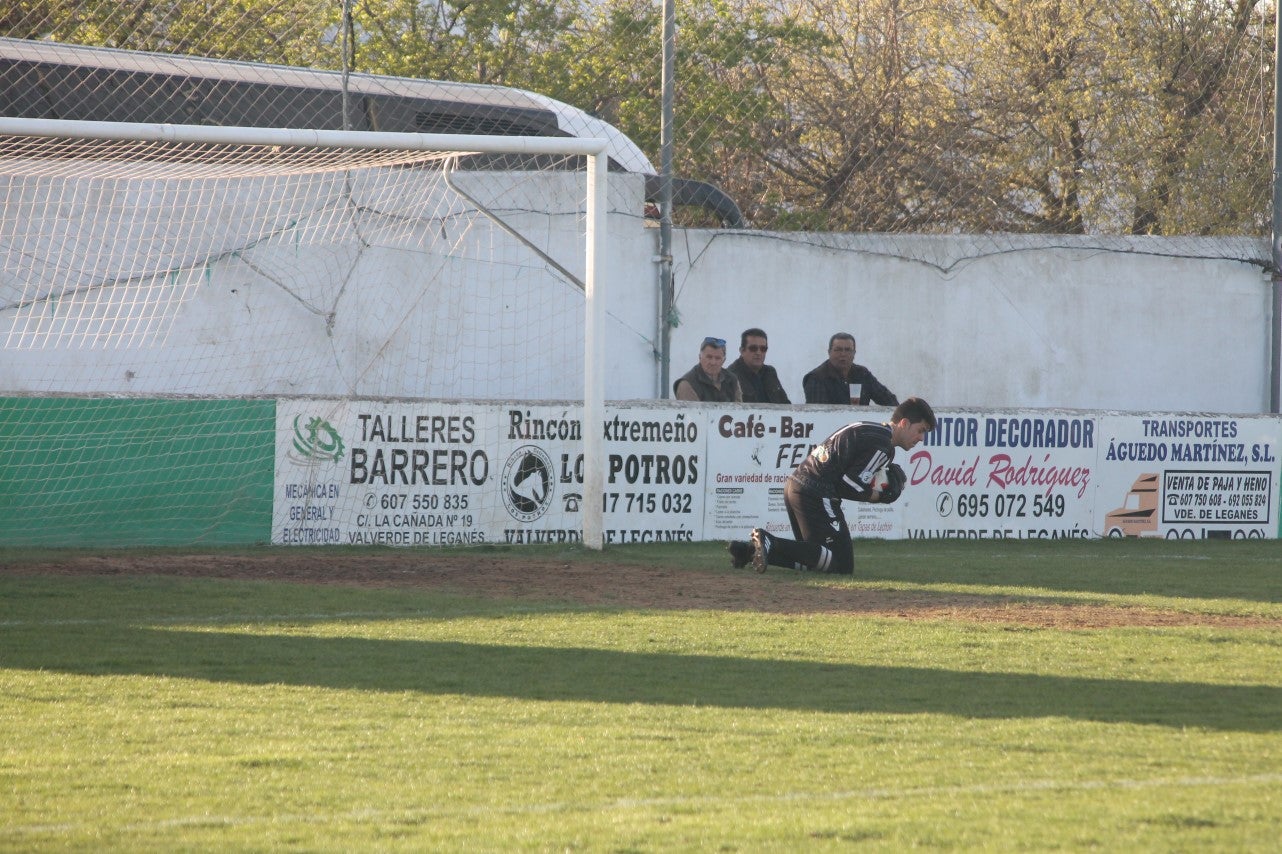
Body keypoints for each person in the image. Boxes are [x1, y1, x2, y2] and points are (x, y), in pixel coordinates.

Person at [727, 397, 936, 575]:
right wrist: (882, 496)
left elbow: (849, 475)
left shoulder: (872, 430)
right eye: (921, 430)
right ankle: (769, 541)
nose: (921, 438)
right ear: (904, 423)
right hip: (816, 492)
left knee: (820, 559)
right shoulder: (884, 444)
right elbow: (849, 485)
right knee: (841, 565)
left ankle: (751, 551)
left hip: (797, 485)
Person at [802, 332, 898, 406]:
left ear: (854, 353)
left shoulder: (863, 374)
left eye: (848, 350)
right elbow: (818, 415)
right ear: (829, 352)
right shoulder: (816, 378)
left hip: (860, 429)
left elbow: (890, 402)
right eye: (838, 350)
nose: (843, 354)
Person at [725, 328, 790, 404]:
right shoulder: (730, 377)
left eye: (763, 349)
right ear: (742, 350)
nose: (758, 352)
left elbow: (786, 405)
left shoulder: (770, 372)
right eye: (753, 348)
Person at [673, 336, 743, 402]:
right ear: (700, 357)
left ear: (724, 360)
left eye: (718, 358)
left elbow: (739, 411)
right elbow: (692, 414)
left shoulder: (732, 380)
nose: (713, 362)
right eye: (709, 357)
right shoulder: (687, 384)